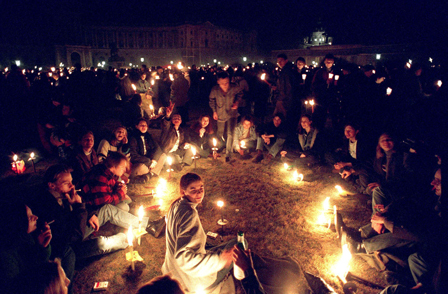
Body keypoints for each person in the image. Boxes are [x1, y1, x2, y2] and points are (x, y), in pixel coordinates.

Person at [30, 164, 160, 261]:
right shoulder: (46, 205)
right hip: (69, 246)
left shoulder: (63, 193)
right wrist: (78, 207)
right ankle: (125, 237)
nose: (72, 186)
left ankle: (148, 225)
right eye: (66, 183)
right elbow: (75, 236)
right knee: (104, 243)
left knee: (107, 209)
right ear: (52, 185)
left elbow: (87, 202)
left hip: (77, 226)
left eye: (71, 182)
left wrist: (91, 213)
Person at [162, 173, 235, 294]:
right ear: (183, 192)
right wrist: (220, 259)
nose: (199, 193)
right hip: (191, 281)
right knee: (239, 244)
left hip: (171, 273)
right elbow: (184, 258)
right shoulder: (189, 214)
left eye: (201, 188)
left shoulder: (175, 205)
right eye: (193, 190)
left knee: (211, 245)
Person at [0, 202, 52, 294]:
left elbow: (37, 263)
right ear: (18, 222)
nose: (36, 217)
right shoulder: (6, 257)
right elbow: (27, 280)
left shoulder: (25, 237)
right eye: (30, 217)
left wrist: (42, 247)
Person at [209, 71, 243, 162]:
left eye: (227, 83)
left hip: (232, 114)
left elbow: (240, 93)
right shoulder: (215, 90)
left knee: (230, 133)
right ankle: (219, 148)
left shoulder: (234, 87)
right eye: (223, 83)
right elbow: (211, 100)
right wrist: (214, 111)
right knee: (220, 133)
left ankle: (228, 153)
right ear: (218, 82)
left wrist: (236, 102)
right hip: (220, 113)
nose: (225, 85)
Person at [333, 123, 374, 194]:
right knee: (343, 171)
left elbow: (364, 161)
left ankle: (363, 190)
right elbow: (345, 156)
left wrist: (348, 165)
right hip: (354, 165)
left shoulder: (363, 143)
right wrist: (340, 163)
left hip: (363, 167)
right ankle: (355, 185)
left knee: (362, 176)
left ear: (357, 131)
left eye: (350, 130)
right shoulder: (346, 141)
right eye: (345, 130)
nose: (347, 133)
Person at [160, 102, 194, 170]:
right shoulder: (168, 129)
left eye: (178, 118)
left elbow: (182, 142)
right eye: (174, 118)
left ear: (181, 121)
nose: (177, 120)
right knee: (176, 160)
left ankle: (183, 163)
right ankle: (179, 162)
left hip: (178, 150)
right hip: (169, 151)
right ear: (172, 121)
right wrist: (168, 116)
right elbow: (166, 124)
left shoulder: (181, 131)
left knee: (190, 149)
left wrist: (186, 144)